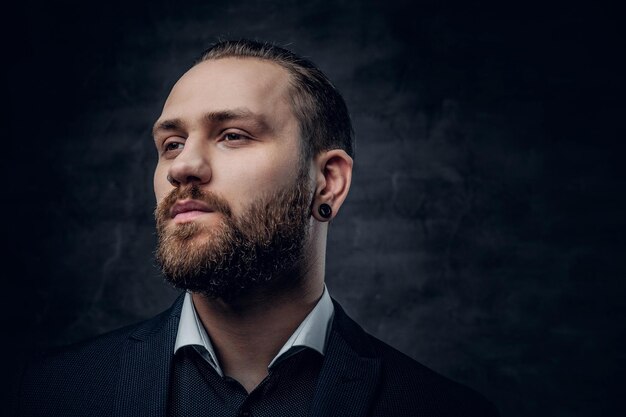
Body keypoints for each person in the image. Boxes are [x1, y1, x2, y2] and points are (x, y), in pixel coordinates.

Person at [14, 39, 498, 417]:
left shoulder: (443, 412)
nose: (184, 166)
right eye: (172, 144)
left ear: (328, 182)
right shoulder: (49, 397)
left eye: (232, 136)